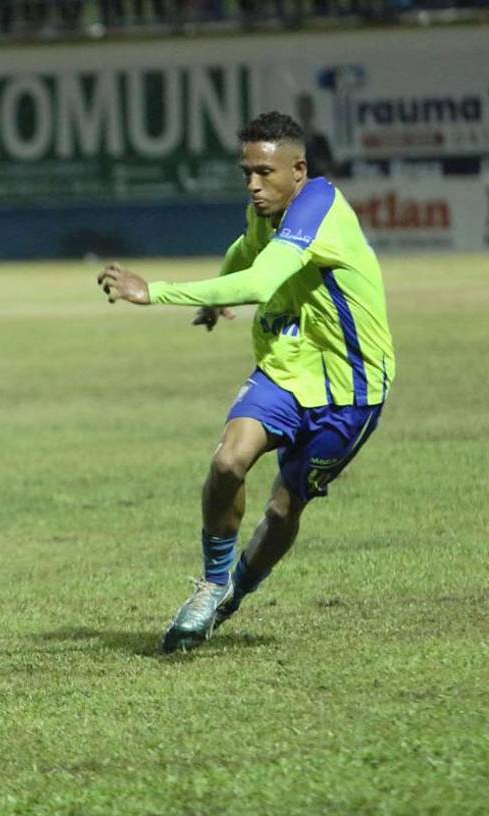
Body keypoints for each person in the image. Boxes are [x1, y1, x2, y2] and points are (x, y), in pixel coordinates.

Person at [97, 111, 395, 654]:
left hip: (352, 390)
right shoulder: (268, 209)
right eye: (246, 173)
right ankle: (211, 585)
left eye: (264, 172)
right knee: (227, 461)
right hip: (286, 368)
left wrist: (155, 291)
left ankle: (235, 595)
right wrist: (216, 296)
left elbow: (260, 279)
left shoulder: (319, 208)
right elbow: (247, 251)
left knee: (284, 508)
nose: (253, 185)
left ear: (298, 170)